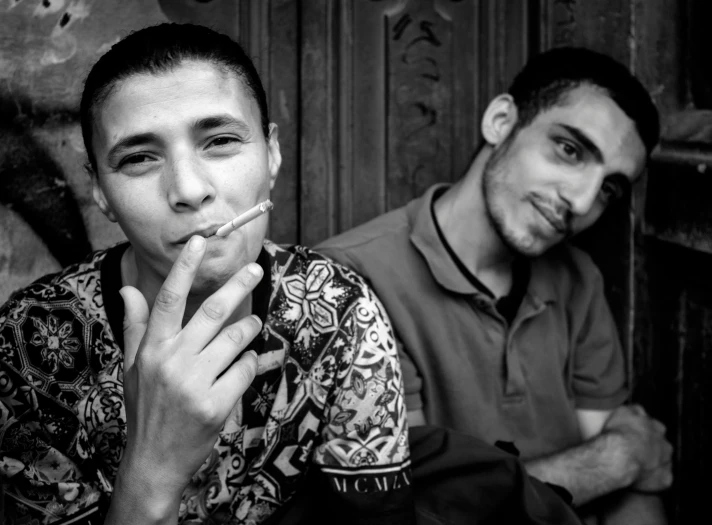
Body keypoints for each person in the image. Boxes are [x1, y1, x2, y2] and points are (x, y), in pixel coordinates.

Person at [0, 23, 583, 525]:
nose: (189, 190)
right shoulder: (27, 344)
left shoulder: (337, 309)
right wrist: (151, 472)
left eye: (221, 141)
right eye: (139, 158)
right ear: (101, 192)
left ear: (272, 156)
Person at [317, 47, 674, 523]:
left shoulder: (579, 280)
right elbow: (417, 512)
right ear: (501, 121)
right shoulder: (348, 282)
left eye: (608, 187)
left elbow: (635, 487)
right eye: (570, 150)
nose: (582, 201)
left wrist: (623, 463)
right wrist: (615, 459)